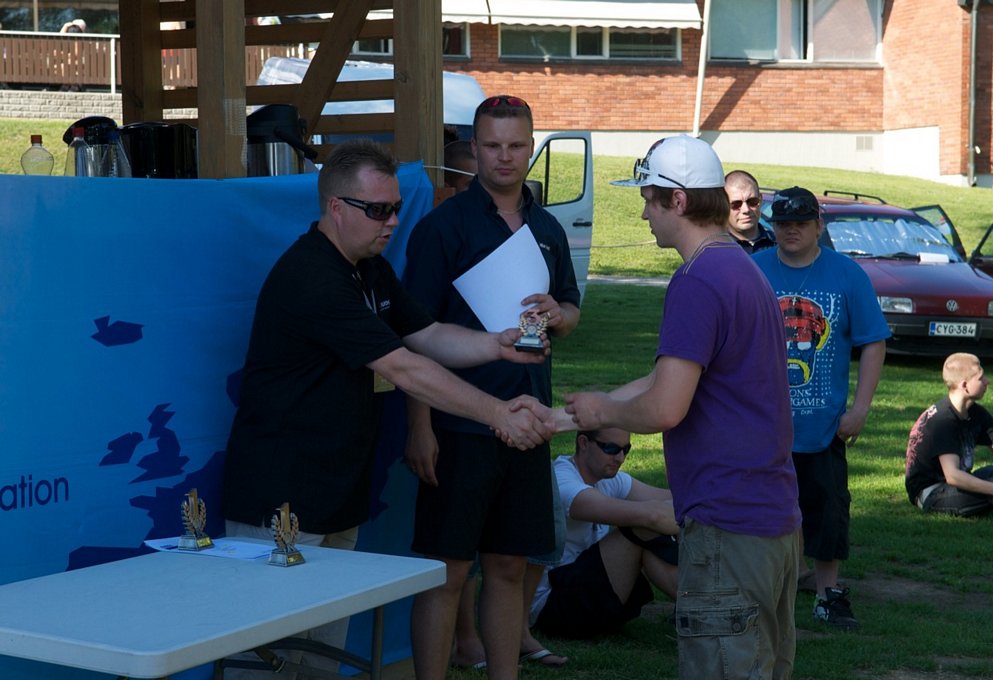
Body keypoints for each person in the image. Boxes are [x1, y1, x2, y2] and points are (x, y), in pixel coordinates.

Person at [220, 138, 554, 679]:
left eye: (396, 207)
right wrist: (497, 413)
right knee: (266, 666)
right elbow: (404, 367)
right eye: (378, 210)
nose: (393, 221)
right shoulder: (312, 276)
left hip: (335, 496)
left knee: (320, 663)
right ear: (336, 207)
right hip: (278, 503)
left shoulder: (369, 269)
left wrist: (497, 344)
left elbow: (428, 335)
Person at [561, 134, 802, 680]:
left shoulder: (697, 280)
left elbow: (665, 407)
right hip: (771, 520)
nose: (643, 214)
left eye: (648, 199)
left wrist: (604, 414)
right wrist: (569, 415)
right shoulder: (741, 268)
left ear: (678, 200)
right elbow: (667, 377)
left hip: (727, 525)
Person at [404, 94, 581, 680]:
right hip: (459, 425)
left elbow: (572, 308)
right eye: (492, 145)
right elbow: (412, 336)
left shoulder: (548, 227)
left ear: (531, 147)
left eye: (516, 145)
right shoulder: (442, 228)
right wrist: (420, 425)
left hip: (529, 423)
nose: (505, 157)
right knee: (447, 572)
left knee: (507, 566)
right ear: (474, 149)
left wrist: (559, 314)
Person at [753, 186, 890, 631]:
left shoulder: (846, 274)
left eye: (800, 223)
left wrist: (860, 408)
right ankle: (763, 588)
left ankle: (828, 595)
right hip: (763, 423)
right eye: (782, 224)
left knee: (828, 510)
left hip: (824, 424)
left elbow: (873, 342)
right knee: (762, 509)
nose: (790, 231)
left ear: (818, 225)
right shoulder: (754, 270)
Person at [530, 428, 678, 639]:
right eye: (611, 449)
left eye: (626, 449)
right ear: (583, 443)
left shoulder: (607, 479)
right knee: (641, 527)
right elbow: (653, 516)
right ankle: (706, 606)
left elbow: (675, 501)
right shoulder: (563, 482)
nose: (620, 458)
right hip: (551, 605)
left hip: (583, 591)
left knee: (658, 525)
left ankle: (703, 605)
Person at [905, 353, 993, 518]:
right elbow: (953, 476)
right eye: (981, 378)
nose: (987, 381)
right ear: (965, 385)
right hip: (932, 492)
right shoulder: (943, 421)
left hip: (963, 481)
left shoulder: (978, 414)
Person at [724, 170, 775, 253]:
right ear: (723, 205)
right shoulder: (716, 248)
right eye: (736, 204)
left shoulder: (779, 245)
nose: (746, 210)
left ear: (760, 199)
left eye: (752, 202)